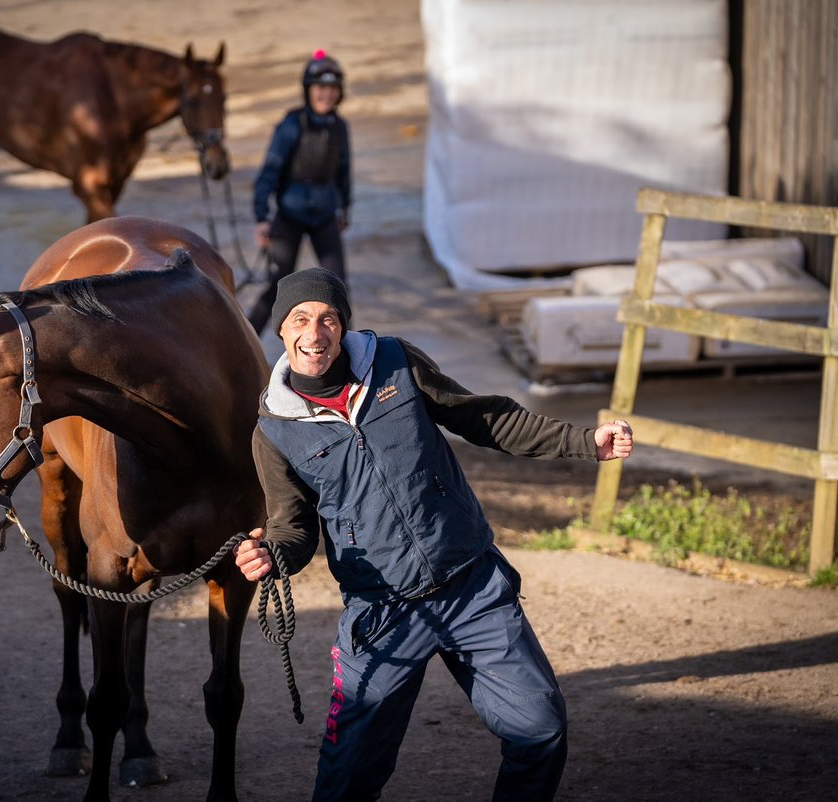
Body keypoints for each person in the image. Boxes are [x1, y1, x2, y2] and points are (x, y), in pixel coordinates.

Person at [234, 268, 634, 801]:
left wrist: (587, 442)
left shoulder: (396, 361)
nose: (316, 331)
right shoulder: (274, 429)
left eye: (328, 317)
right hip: (382, 613)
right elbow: (293, 526)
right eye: (301, 319)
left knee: (540, 730)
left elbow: (484, 419)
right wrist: (271, 555)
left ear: (343, 324)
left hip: (472, 586)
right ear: (282, 331)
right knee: (346, 780)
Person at [248, 50, 352, 334]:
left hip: (325, 216)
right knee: (277, 287)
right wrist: (261, 216)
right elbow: (269, 171)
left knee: (339, 288)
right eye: (320, 88)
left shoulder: (339, 127)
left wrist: (344, 208)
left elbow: (344, 172)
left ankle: (349, 356)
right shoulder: (292, 124)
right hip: (290, 216)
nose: (326, 95)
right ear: (308, 90)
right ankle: (243, 344)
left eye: (332, 89)